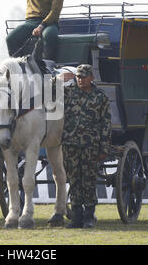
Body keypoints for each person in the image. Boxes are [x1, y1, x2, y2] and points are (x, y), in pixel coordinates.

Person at [59, 64, 111, 228]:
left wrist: (104, 148)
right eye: (78, 76)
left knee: (88, 180)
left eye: (83, 76)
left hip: (91, 145)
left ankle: (89, 216)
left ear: (92, 78)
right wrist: (57, 80)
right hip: (70, 144)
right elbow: (48, 93)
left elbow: (106, 124)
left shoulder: (100, 97)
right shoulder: (68, 93)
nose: (80, 79)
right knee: (74, 181)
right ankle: (76, 217)